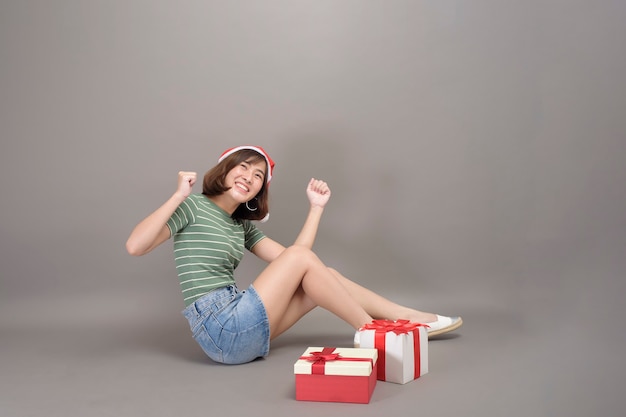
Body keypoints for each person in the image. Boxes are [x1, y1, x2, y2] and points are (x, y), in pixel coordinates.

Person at [126, 145, 462, 364]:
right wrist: (178, 195)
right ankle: (374, 332)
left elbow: (296, 260)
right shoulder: (194, 206)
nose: (249, 178)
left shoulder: (241, 225)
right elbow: (135, 246)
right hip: (220, 326)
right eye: (243, 168)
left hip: (242, 331)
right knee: (306, 265)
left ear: (259, 192)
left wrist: (316, 209)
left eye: (258, 176)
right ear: (225, 170)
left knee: (323, 276)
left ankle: (409, 319)